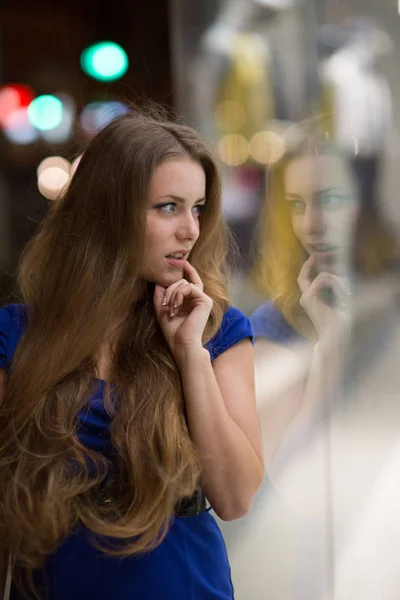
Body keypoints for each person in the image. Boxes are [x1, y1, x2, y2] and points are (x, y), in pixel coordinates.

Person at [0, 108, 264, 600]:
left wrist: (189, 355)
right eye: (168, 207)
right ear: (108, 210)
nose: (191, 230)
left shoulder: (218, 330)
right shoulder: (17, 335)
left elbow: (234, 496)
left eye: (199, 208)